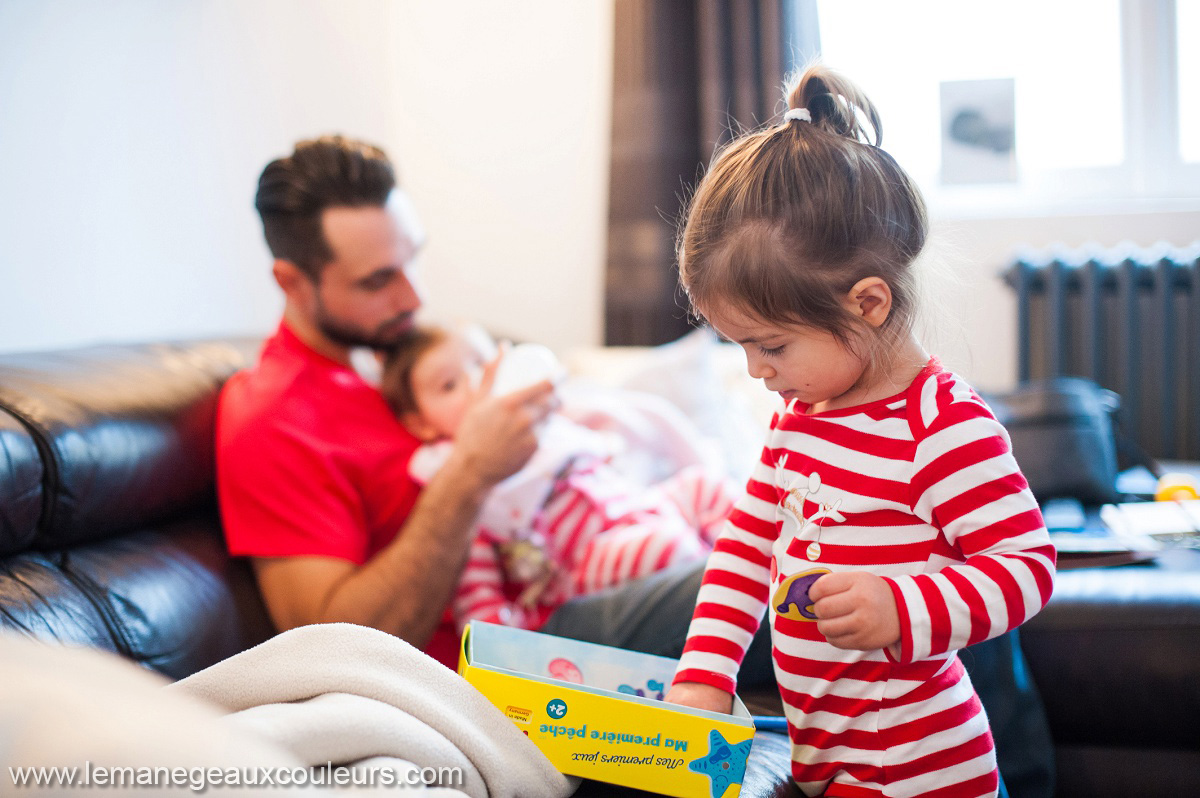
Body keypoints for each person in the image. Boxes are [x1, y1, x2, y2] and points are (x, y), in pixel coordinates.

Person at [662, 64, 1057, 798]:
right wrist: (704, 675)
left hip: (925, 773)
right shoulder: (799, 419)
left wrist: (900, 606)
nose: (755, 372)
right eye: (739, 347)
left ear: (868, 304)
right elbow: (746, 549)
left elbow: (1025, 569)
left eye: (770, 346)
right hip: (828, 761)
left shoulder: (942, 427)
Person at [216, 136, 559, 667]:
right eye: (378, 280)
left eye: (411, 260)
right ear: (292, 283)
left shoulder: (391, 353)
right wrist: (470, 472)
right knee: (731, 588)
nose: (415, 297)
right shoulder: (272, 421)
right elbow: (335, 653)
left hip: (563, 583)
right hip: (500, 661)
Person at [379, 322, 736, 633]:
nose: (477, 385)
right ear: (420, 423)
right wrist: (510, 638)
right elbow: (477, 599)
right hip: (582, 561)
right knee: (665, 548)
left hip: (639, 504)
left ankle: (747, 563)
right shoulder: (466, 484)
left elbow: (635, 419)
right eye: (450, 385)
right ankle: (729, 582)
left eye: (482, 365)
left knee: (708, 487)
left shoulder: (549, 421)